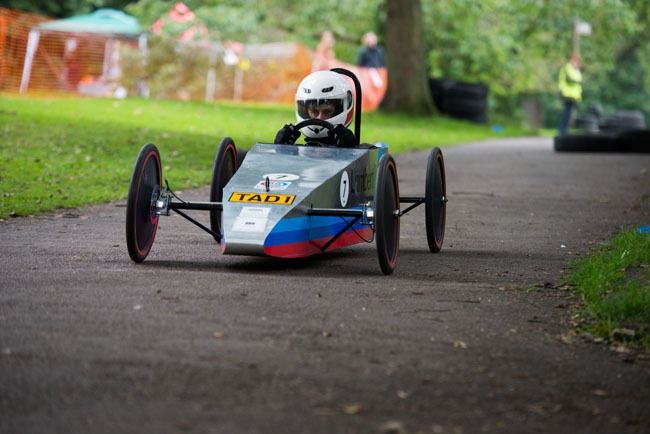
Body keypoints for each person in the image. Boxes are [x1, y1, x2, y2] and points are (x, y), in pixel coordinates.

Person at [274, 70, 357, 147]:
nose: (319, 118)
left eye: (327, 112)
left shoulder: (352, 149)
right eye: (314, 112)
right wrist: (281, 148)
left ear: (338, 110)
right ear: (306, 112)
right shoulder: (297, 155)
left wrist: (349, 148)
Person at [557, 54, 582, 135]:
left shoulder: (575, 69)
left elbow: (579, 79)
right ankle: (562, 130)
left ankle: (564, 130)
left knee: (568, 114)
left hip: (573, 96)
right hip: (567, 95)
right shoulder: (567, 68)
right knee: (566, 114)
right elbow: (572, 79)